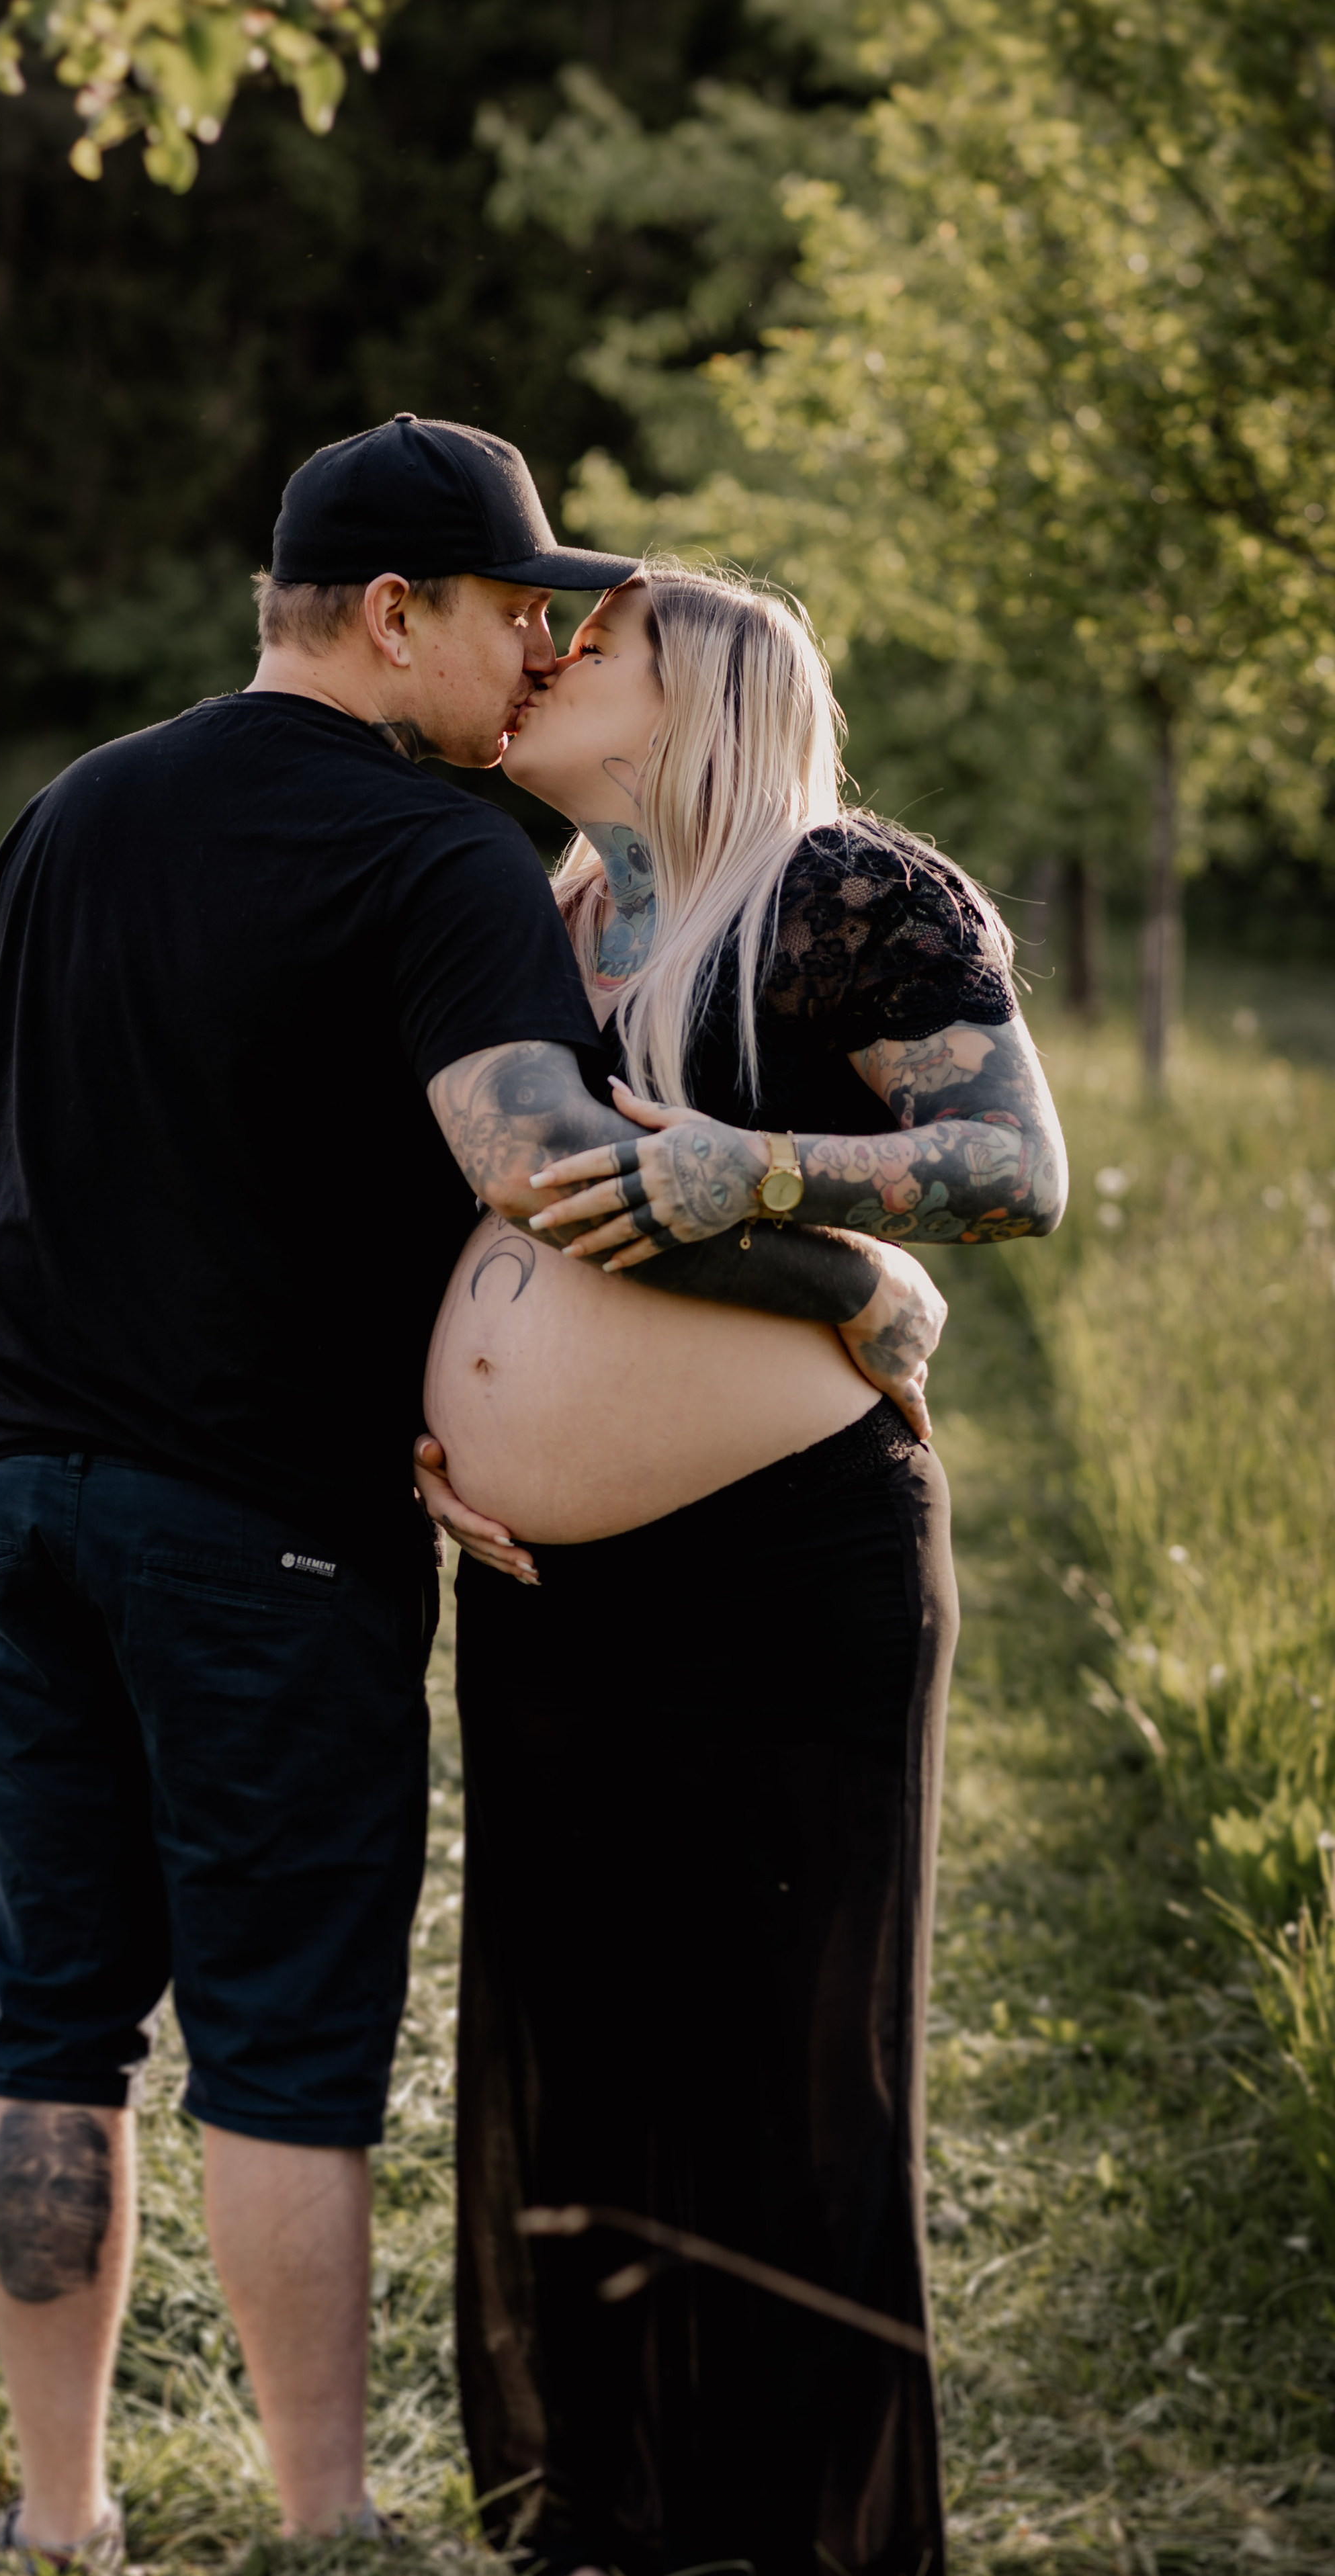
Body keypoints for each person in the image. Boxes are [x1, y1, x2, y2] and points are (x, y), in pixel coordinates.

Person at [0, 421, 948, 2573]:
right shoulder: (435, 852)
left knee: (53, 2017)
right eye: (509, 614)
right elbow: (535, 1163)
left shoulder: (65, 812)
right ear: (393, 613)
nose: (526, 662)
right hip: (259, 1531)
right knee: (286, 2041)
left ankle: (58, 2515)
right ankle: (322, 2521)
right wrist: (855, 1275)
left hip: (13, 1495)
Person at [414, 563, 1067, 2576]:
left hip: (792, 1575)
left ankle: (796, 2542)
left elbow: (1014, 1168)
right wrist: (433, 1415)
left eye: (584, 641)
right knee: (583, 2042)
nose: (541, 659)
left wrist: (770, 1172)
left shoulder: (850, 893)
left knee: (788, 2074)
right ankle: (610, 2522)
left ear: (697, 687)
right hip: (551, 1593)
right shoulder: (556, 920)